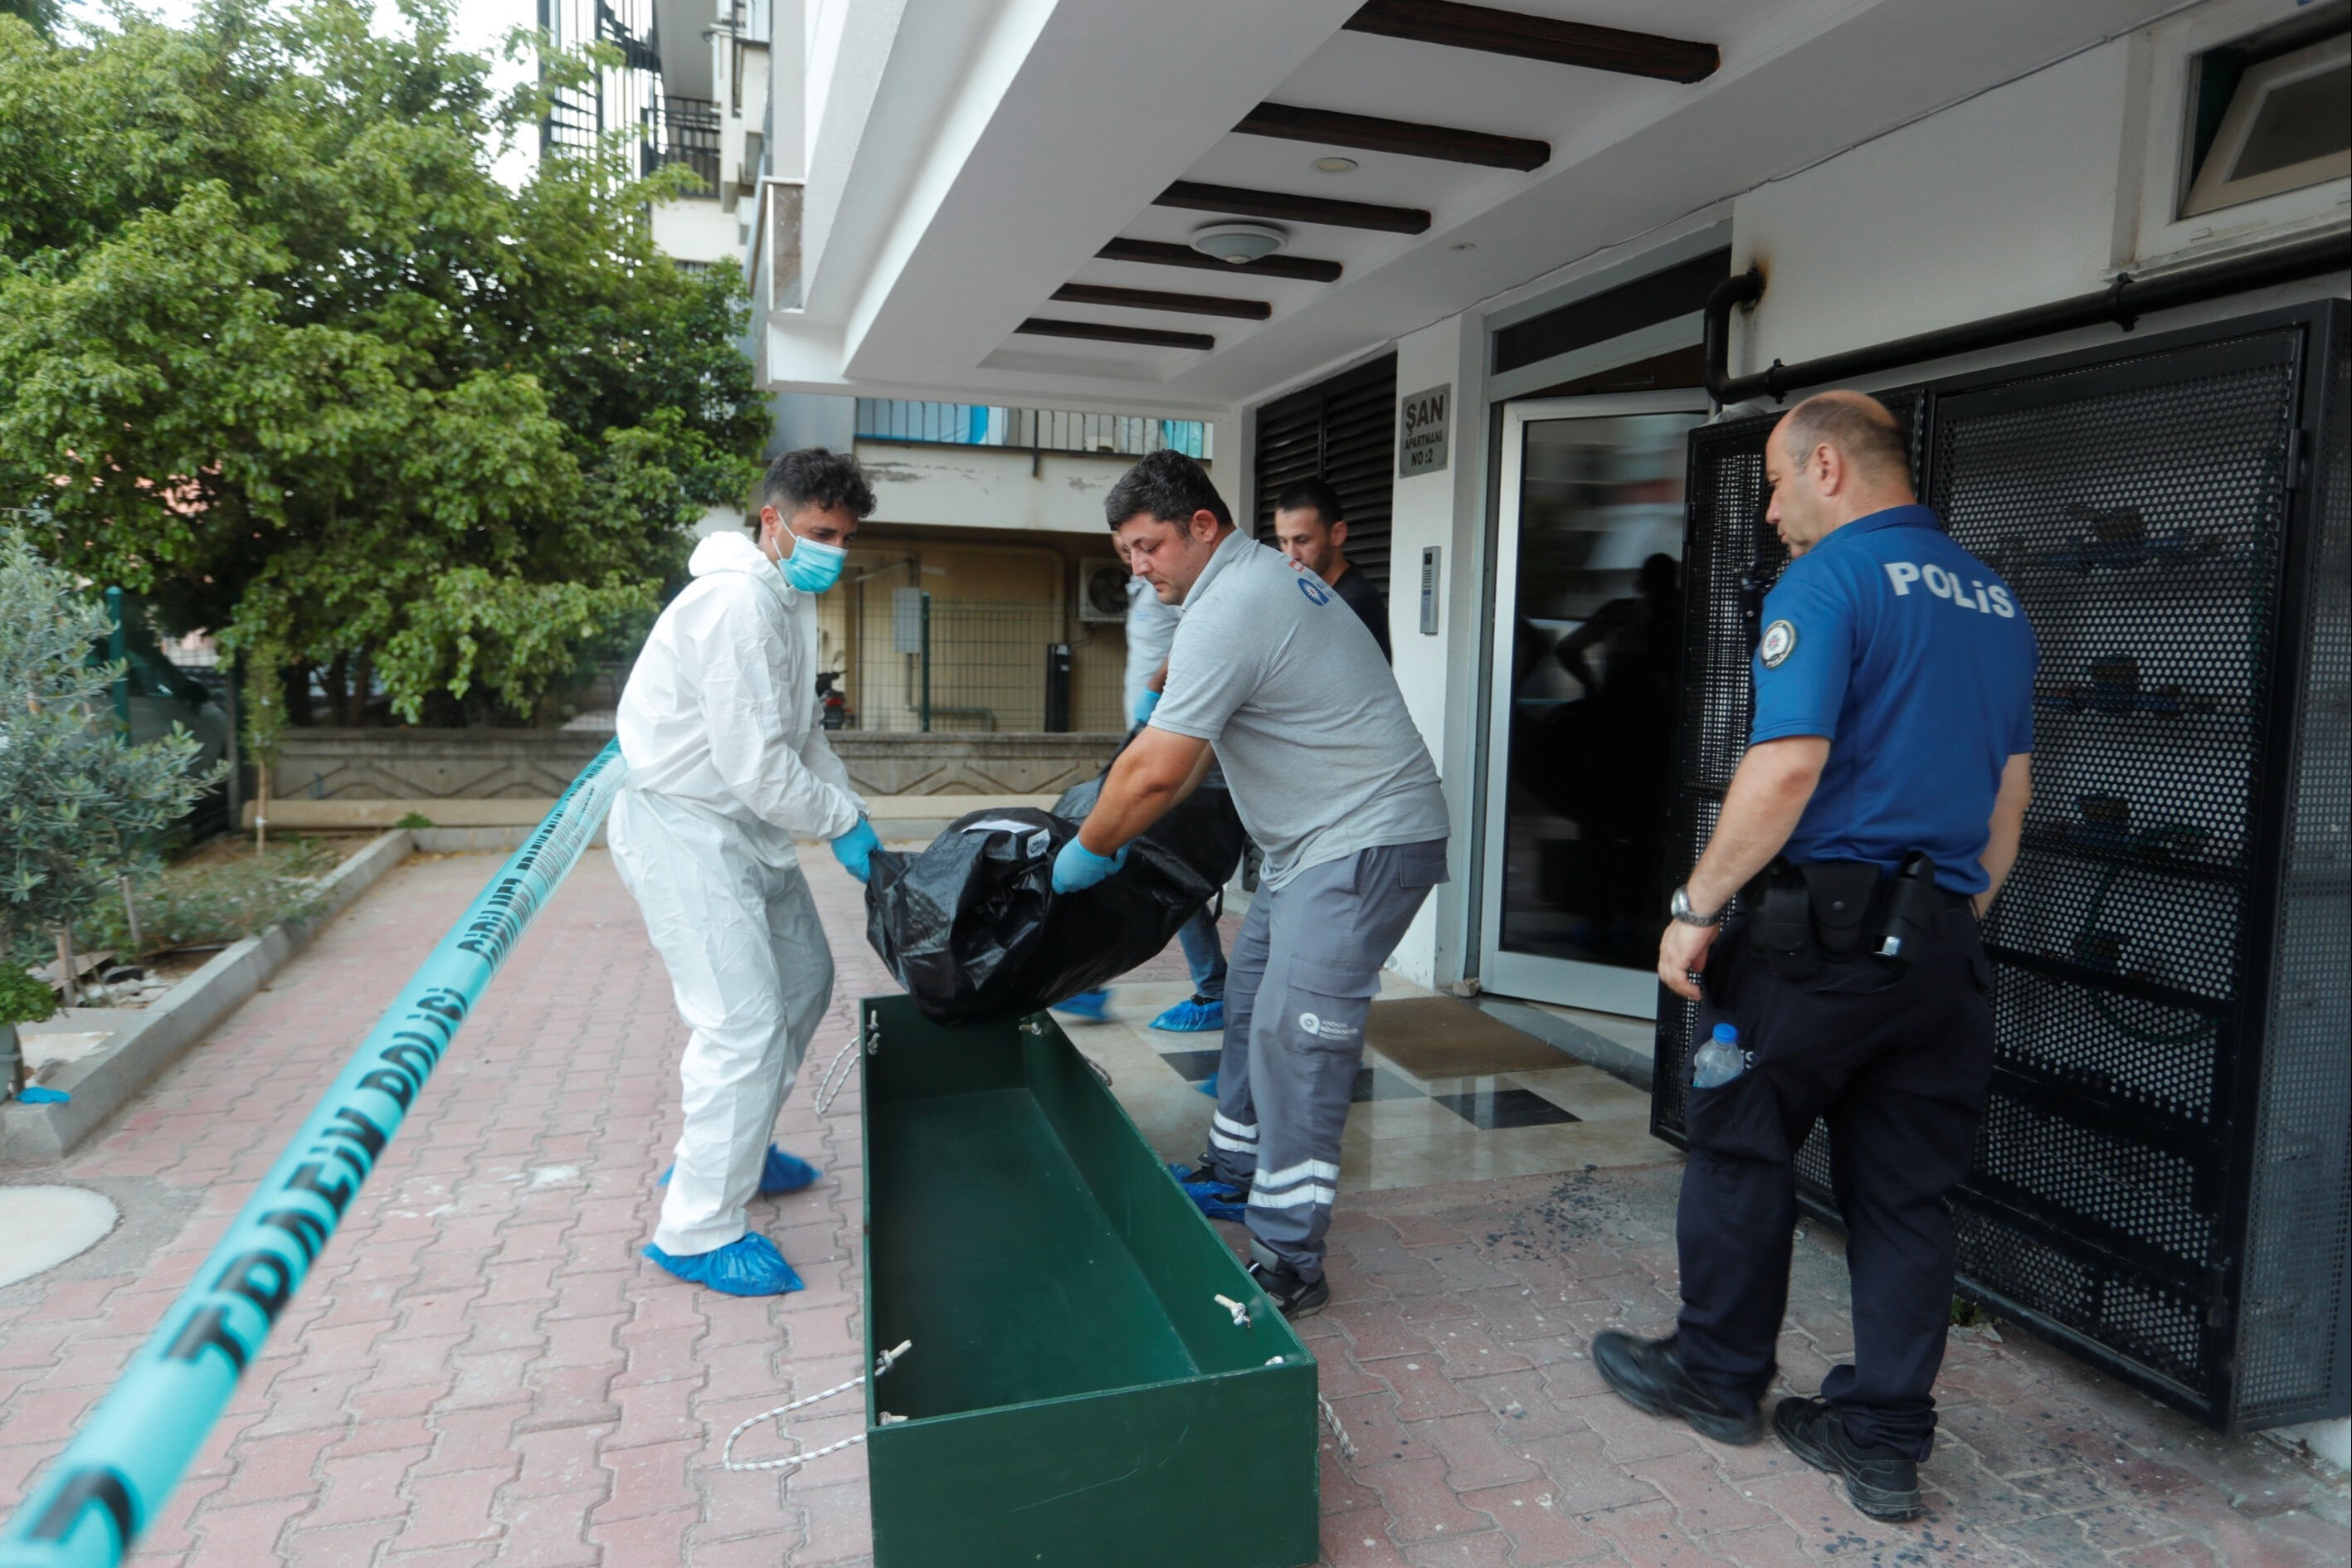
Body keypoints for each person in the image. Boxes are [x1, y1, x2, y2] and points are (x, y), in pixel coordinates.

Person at [1592, 392, 2034, 1523]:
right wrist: (1947, 916)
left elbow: (1785, 767)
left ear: (1826, 467)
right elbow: (2007, 793)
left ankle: (1714, 1374)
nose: (1774, 515)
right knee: (1904, 1196)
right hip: (1939, 939)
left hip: (1814, 937)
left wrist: (1695, 903)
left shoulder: (1828, 581)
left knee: (1739, 1144)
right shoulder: (1993, 599)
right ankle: (1881, 1439)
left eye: (1779, 488)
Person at [1054, 450, 1449, 1319]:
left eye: (1148, 546)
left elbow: (1160, 770)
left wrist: (1089, 849)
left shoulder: (1234, 600)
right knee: (1248, 1006)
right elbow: (1193, 736)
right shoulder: (1246, 587)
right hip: (1306, 845)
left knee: (1295, 1040)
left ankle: (1289, 1256)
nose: (1138, 568)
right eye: (1125, 553)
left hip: (1362, 841)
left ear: (1203, 527)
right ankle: (1235, 1170)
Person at [608, 449, 884, 1298]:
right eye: (818, 531)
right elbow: (752, 767)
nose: (831, 549)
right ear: (772, 521)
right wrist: (842, 824)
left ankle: (739, 1149)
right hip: (685, 830)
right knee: (740, 1024)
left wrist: (848, 804)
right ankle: (695, 1228)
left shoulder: (785, 599)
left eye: (844, 536)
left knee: (804, 980)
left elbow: (801, 738)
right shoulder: (735, 603)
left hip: (744, 829)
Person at [1053, 538, 1230, 1040]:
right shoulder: (1143, 579)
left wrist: (1157, 691)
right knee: (1159, 866)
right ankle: (1095, 978)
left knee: (1163, 865)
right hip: (1149, 735)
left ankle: (1211, 989)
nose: (1134, 557)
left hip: (1179, 744)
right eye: (1125, 547)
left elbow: (1198, 640)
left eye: (1140, 544)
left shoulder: (1184, 582)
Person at [1271, 477, 1390, 662]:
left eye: (1302, 541)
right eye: (1283, 542)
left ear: (1337, 534)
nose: (1291, 555)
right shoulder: (1316, 595)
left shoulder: (1352, 603)